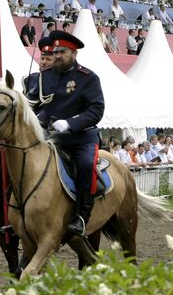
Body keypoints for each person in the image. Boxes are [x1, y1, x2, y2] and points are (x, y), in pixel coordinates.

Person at [23, 30, 105, 236]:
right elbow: (41, 106)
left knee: (86, 165)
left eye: (63, 52)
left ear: (74, 54)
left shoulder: (88, 78)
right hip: (51, 138)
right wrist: (39, 119)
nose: (58, 55)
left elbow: (96, 110)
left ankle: (82, 217)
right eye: (56, 51)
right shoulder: (46, 76)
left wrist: (70, 123)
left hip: (80, 139)